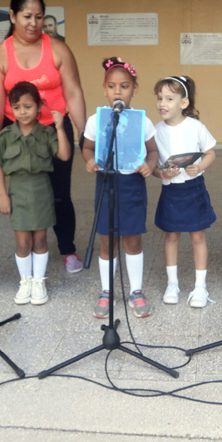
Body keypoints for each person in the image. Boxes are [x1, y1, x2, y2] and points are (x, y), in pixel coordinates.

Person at [0, 0, 86, 273]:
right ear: (13, 16)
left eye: (39, 17)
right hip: (15, 131)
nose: (33, 23)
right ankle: (28, 248)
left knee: (59, 192)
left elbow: (74, 92)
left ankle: (67, 249)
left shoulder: (58, 49)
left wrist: (84, 132)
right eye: (27, 16)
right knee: (22, 190)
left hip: (54, 129)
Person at [82, 57, 158, 318]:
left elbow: (153, 150)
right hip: (106, 184)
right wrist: (90, 161)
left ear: (134, 89)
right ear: (104, 89)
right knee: (107, 240)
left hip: (132, 185)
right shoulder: (96, 120)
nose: (118, 91)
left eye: (124, 86)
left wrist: (150, 164)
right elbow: (88, 146)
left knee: (132, 238)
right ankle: (107, 291)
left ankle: (136, 291)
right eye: (112, 86)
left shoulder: (143, 122)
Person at [0, 82, 71, 305]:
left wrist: (59, 127)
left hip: (41, 189)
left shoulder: (46, 133)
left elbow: (64, 155)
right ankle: (25, 280)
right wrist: (1, 195)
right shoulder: (6, 135)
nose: (22, 112)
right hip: (17, 191)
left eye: (28, 106)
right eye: (17, 107)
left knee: (40, 237)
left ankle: (38, 281)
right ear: (11, 109)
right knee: (22, 241)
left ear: (39, 107)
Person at [153, 76, 217, 308]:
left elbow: (210, 152)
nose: (163, 103)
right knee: (171, 235)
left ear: (183, 103)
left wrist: (198, 167)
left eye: (169, 98)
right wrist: (161, 174)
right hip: (170, 191)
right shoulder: (155, 130)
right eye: (160, 98)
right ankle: (173, 283)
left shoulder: (196, 127)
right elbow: (151, 165)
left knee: (198, 236)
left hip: (193, 189)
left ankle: (200, 287)